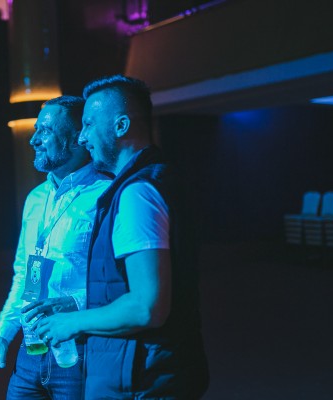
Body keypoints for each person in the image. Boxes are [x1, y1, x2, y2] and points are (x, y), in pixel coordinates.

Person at [29, 75, 209, 399]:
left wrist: (72, 322)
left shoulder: (137, 193)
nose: (82, 137)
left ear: (121, 126)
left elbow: (146, 306)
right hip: (152, 373)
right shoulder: (158, 179)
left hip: (142, 379)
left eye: (88, 124)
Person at [0, 95, 111, 399]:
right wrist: (3, 333)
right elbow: (24, 274)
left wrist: (73, 302)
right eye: (36, 130)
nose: (34, 140)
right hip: (32, 348)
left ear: (77, 138)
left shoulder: (105, 194)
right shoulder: (35, 198)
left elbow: (119, 283)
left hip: (80, 350)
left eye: (46, 131)